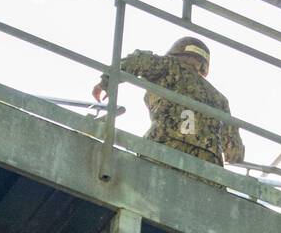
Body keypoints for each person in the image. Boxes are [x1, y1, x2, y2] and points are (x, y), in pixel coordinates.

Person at [92, 34, 244, 167]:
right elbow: (234, 150)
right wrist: (234, 155)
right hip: (208, 164)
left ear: (176, 53)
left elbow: (138, 60)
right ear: (203, 64)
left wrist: (106, 82)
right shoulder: (220, 99)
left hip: (164, 147)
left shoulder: (169, 66)